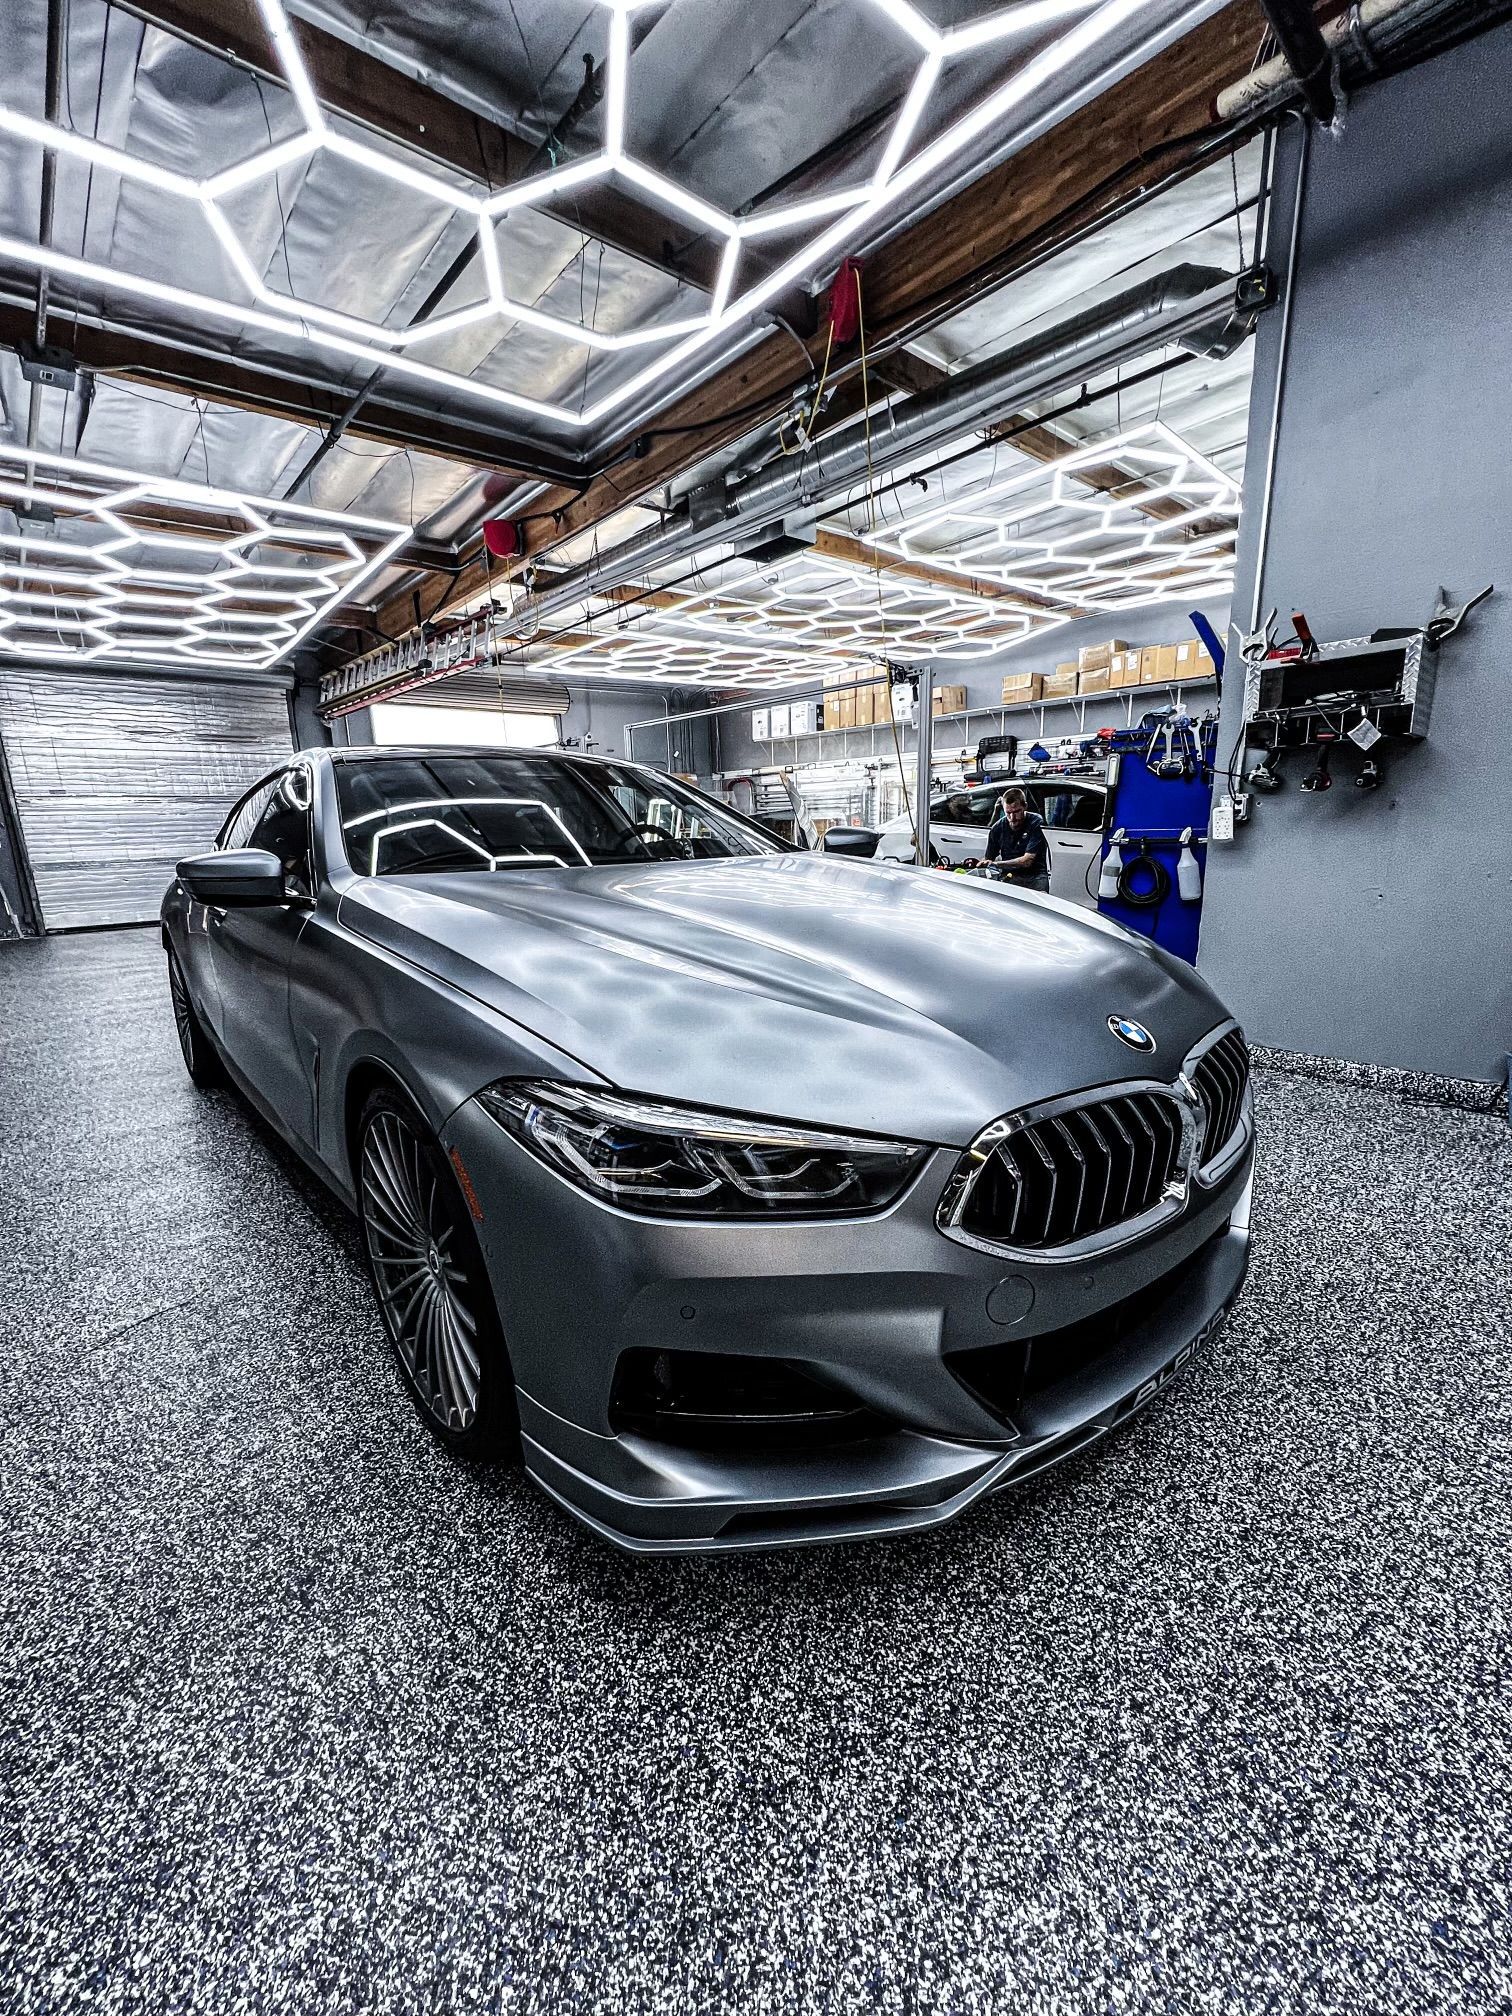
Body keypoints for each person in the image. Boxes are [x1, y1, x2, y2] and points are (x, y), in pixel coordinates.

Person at [984, 787, 1050, 892]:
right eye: (1008, 813)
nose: (1012, 817)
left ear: (1025, 806)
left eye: (1016, 812)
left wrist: (997, 864)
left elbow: (1027, 860)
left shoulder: (1036, 822)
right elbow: (989, 859)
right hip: (1009, 876)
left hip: (1034, 876)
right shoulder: (997, 828)